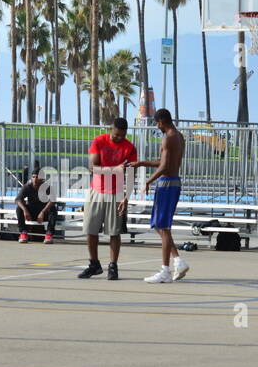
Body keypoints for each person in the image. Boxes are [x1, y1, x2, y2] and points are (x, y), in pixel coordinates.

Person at [127, 108, 188, 283]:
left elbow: (164, 166)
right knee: (157, 225)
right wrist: (141, 163)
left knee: (163, 226)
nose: (157, 126)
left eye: (157, 123)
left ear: (161, 121)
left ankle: (165, 270)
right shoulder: (179, 136)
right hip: (173, 182)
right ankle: (177, 260)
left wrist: (148, 181)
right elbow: (167, 162)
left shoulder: (168, 137)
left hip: (167, 183)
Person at [79, 116, 137, 281]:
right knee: (90, 229)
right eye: (116, 135)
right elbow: (93, 168)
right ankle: (94, 264)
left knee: (114, 232)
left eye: (122, 136)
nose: (119, 138)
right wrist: (115, 169)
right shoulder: (99, 141)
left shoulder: (130, 147)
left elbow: (131, 175)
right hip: (96, 191)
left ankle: (113, 265)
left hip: (117, 193)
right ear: (111, 129)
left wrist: (127, 197)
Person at [15, 166, 56, 244]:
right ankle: (23, 233)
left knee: (53, 209)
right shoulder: (27, 187)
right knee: (19, 208)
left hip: (43, 213)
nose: (35, 179)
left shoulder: (47, 187)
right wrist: (25, 211)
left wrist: (43, 212)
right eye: (33, 177)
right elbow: (18, 199)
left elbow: (53, 200)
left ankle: (49, 234)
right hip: (31, 213)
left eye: (37, 177)